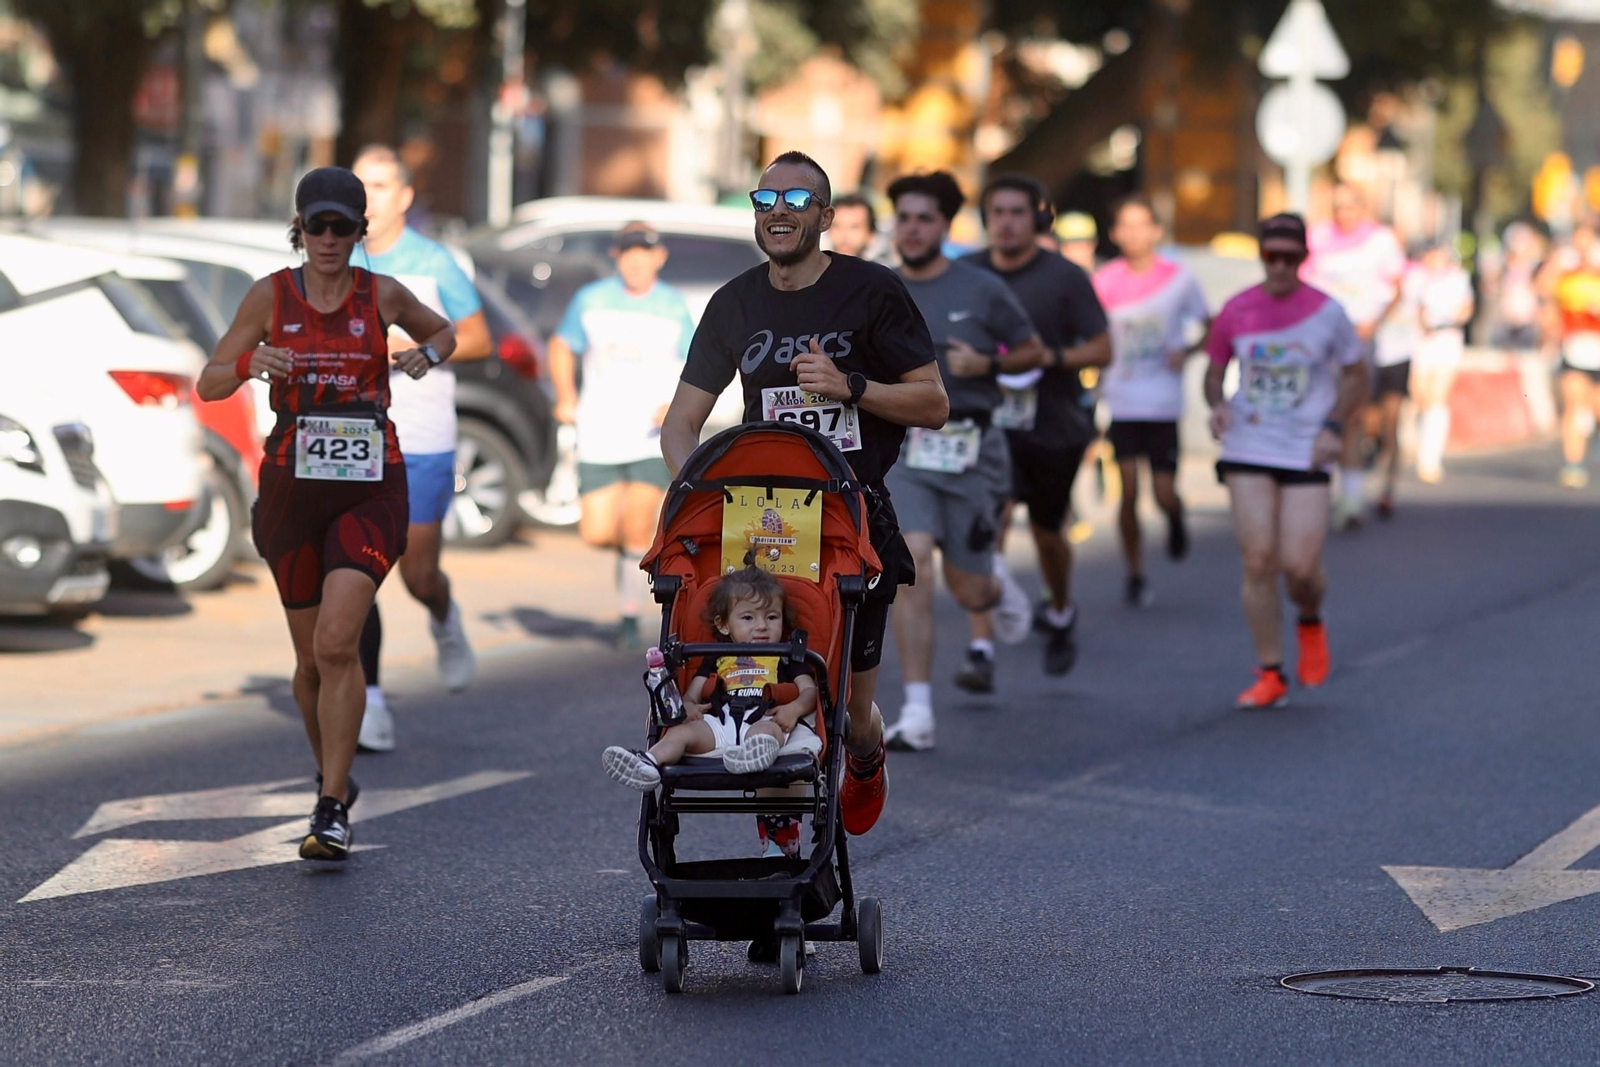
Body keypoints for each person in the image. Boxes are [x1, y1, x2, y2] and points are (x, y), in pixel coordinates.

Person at [660, 149, 948, 840]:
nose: (779, 212)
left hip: (852, 514)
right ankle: (782, 826)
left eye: (797, 200)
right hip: (764, 521)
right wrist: (694, 493)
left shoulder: (872, 291)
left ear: (826, 215)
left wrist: (851, 386)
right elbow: (680, 424)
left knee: (849, 704)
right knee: (762, 680)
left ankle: (866, 754)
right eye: (766, 201)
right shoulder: (733, 302)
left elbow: (933, 402)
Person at [197, 167, 456, 859]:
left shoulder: (383, 294)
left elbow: (446, 332)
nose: (330, 239)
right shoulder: (269, 295)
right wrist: (252, 361)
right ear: (300, 228)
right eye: (319, 226)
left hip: (369, 485)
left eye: (344, 227)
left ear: (360, 231)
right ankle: (332, 776)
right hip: (289, 490)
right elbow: (209, 379)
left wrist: (424, 354)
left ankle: (331, 803)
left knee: (339, 642)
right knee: (310, 662)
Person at [877, 171, 1045, 750]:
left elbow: (1033, 350)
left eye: (926, 219)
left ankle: (995, 581)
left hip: (972, 450)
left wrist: (988, 366)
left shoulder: (981, 288)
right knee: (913, 563)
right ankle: (918, 712)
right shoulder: (880, 289)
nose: (914, 229)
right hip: (907, 451)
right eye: (905, 218)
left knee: (971, 593)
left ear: (945, 227)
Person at [350, 144, 491, 753]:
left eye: (380, 185)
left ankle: (443, 615)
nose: (369, 198)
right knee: (357, 572)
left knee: (417, 571)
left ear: (405, 196)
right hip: (355, 438)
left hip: (425, 437)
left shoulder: (434, 262)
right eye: (360, 186)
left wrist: (416, 350)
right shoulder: (339, 259)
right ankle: (371, 700)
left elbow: (479, 337)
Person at [1204, 214, 1365, 709]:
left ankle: (1311, 617)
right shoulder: (1237, 308)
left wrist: (1335, 427)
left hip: (1305, 446)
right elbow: (1214, 372)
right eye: (1270, 256)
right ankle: (1270, 671)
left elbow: (1358, 374)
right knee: (1258, 560)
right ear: (1260, 256)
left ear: (1303, 259)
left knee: (1299, 568)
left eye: (1289, 258)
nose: (1278, 266)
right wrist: (1219, 405)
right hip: (1249, 445)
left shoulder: (1328, 313)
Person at [960, 175, 1111, 676]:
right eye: (996, 212)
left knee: (1049, 534)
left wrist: (1054, 356)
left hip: (1051, 424)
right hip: (985, 424)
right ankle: (981, 648)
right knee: (989, 525)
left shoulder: (1065, 277)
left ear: (1036, 218)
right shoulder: (968, 273)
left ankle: (1061, 608)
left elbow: (1103, 348)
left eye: (1016, 213)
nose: (1005, 222)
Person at [548, 223, 698, 646]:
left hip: (650, 435)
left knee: (636, 526)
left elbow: (696, 366)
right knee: (596, 532)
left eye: (645, 251)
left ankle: (630, 614)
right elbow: (561, 345)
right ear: (617, 255)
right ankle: (631, 560)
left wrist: (676, 405)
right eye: (629, 251)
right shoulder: (591, 300)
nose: (637, 259)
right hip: (599, 431)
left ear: (659, 257)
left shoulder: (673, 306)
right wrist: (566, 396)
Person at [602, 567, 819, 802]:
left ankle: (754, 753)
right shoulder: (717, 656)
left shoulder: (786, 656)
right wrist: (690, 707)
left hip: (766, 718)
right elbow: (692, 695)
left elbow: (810, 691)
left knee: (768, 732)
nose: (762, 626)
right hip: (720, 723)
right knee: (681, 732)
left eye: (772, 617)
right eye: (748, 617)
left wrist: (794, 709)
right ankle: (649, 763)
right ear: (724, 625)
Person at [1093, 194, 1210, 607]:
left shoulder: (1180, 278)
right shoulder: (1104, 280)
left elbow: (1209, 327)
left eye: (1142, 224)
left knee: (1162, 492)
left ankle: (1175, 516)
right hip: (1121, 398)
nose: (1134, 233)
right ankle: (1135, 571)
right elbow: (1090, 334)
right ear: (1115, 233)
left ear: (1157, 230)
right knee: (1127, 491)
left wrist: (1189, 350)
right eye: (1125, 225)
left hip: (1162, 400)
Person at [1304, 183, 1406, 529]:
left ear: (1363, 208)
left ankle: (1351, 498)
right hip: (1320, 343)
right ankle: (1316, 494)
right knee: (1317, 414)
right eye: (1336, 206)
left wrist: (1373, 323)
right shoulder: (1316, 237)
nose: (1342, 213)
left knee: (1352, 415)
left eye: (1349, 206)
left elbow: (1397, 289)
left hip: (1358, 342)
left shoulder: (1381, 241)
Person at [1393, 242, 1474, 496]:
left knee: (1438, 397)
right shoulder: (1415, 277)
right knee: (1418, 395)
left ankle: (1430, 459)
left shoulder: (1458, 278)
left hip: (1446, 339)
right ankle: (1408, 441)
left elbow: (1465, 308)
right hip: (1417, 341)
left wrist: (1454, 317)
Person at [1548, 222, 1600, 489]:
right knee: (1573, 404)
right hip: (1574, 349)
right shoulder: (1566, 273)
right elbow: (1545, 293)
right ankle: (1573, 463)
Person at [827, 192, 879, 259]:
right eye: (837, 226)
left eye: (854, 227)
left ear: (871, 234)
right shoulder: (813, 268)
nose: (844, 235)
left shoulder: (884, 268)